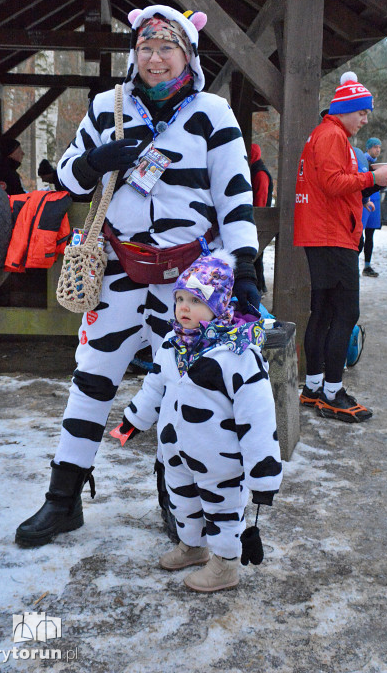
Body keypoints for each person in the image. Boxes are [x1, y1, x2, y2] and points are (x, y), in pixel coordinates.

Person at [15, 4, 261, 547]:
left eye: (166, 47)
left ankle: (181, 503)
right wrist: (99, 160)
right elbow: (68, 182)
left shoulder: (213, 115)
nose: (154, 58)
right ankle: (62, 499)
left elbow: (235, 197)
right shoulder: (108, 106)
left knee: (185, 392)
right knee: (90, 383)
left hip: (190, 284)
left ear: (187, 54)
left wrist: (244, 266)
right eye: (146, 48)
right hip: (120, 272)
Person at [117, 250, 282, 592]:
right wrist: (132, 421)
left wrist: (263, 472)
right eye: (179, 298)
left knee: (222, 510)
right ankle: (193, 546)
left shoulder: (239, 355)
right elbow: (154, 388)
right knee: (182, 501)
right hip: (175, 451)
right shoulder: (170, 345)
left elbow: (258, 415)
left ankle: (225, 564)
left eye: (195, 299)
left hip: (219, 459)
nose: (183, 307)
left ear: (220, 304)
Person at [294, 71, 387, 422]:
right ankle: (332, 392)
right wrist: (372, 178)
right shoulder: (331, 136)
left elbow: (333, 187)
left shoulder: (325, 134)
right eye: (362, 112)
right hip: (332, 237)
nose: (365, 119)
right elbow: (332, 181)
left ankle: (312, 388)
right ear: (347, 109)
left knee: (323, 313)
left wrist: (365, 191)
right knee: (344, 314)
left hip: (325, 232)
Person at [249, 143, 273, 293]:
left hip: (258, 219)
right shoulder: (256, 170)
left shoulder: (259, 173)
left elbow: (261, 199)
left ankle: (259, 286)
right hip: (256, 218)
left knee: (257, 256)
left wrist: (256, 216)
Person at [361, 138, 383, 277]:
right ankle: (353, 265)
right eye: (375, 147)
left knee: (370, 235)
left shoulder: (378, 164)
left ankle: (367, 266)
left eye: (379, 147)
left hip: (375, 199)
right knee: (358, 235)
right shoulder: (362, 160)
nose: (378, 150)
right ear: (369, 148)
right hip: (364, 200)